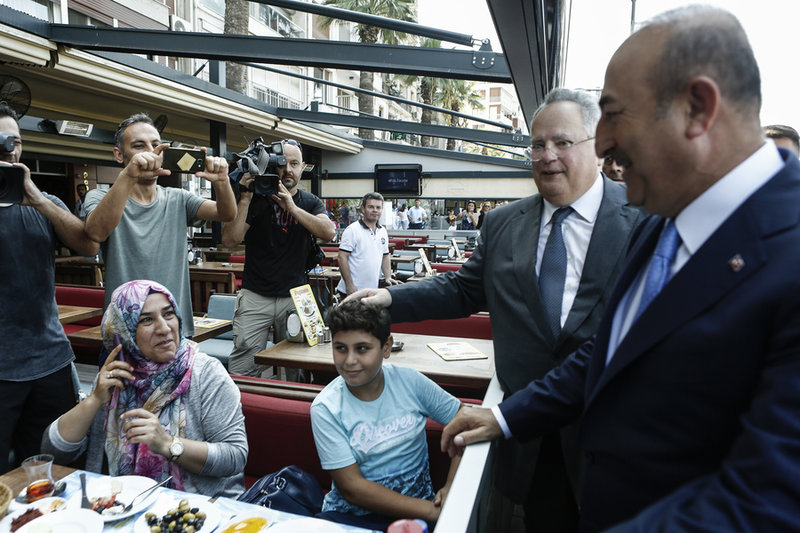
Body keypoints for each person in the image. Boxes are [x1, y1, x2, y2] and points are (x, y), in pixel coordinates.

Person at [441, 6, 800, 531]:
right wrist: (504, 415)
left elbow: (768, 500)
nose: (602, 141)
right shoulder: (659, 223)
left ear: (698, 109)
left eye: (614, 113)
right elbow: (607, 356)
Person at [348, 88, 645, 532]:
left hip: (616, 433)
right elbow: (465, 289)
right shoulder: (505, 223)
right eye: (537, 144)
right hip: (530, 436)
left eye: (562, 142)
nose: (547, 156)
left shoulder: (644, 217)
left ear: (597, 144)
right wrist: (390, 299)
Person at [42, 280, 247, 497]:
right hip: (121, 503)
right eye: (147, 320)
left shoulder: (205, 373)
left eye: (168, 314)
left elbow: (234, 457)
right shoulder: (117, 376)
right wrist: (94, 399)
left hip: (201, 508)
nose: (164, 328)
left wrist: (167, 444)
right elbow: (53, 450)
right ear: (124, 331)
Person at [0, 103, 99, 474]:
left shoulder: (43, 203)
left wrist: (37, 198)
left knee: (50, 467)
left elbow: (88, 246)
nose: (10, 148)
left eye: (17, 141)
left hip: (49, 361)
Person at [310, 300, 462, 531]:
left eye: (362, 348)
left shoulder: (410, 381)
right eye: (340, 348)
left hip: (416, 516)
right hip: (351, 519)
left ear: (387, 346)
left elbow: (465, 420)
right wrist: (433, 511)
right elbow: (352, 488)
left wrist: (451, 486)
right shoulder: (326, 407)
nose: (350, 360)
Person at [84, 113, 236, 338]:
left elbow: (226, 213)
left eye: (155, 145)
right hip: (125, 331)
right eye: (139, 146)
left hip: (175, 329)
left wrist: (222, 182)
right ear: (119, 154)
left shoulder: (178, 198)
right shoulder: (100, 196)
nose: (149, 152)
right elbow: (95, 231)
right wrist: (129, 174)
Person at [222, 139, 335, 377]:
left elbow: (328, 232)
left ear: (303, 167)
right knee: (244, 365)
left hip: (296, 294)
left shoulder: (309, 202)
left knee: (300, 364)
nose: (288, 170)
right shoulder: (255, 199)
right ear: (271, 165)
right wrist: (244, 198)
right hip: (255, 295)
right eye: (281, 163)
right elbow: (230, 241)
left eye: (294, 163)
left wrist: (292, 207)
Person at [336, 192, 401, 299]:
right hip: (353, 291)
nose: (375, 210)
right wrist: (349, 285)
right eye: (371, 207)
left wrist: (388, 277)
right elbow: (342, 257)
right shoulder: (352, 230)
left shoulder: (383, 231)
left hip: (373, 292)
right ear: (363, 208)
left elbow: (385, 256)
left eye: (378, 207)